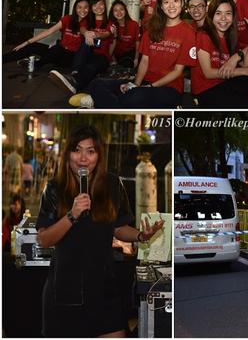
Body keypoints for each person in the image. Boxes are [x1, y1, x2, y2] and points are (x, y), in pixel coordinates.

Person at [36, 125, 164, 337]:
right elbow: (44, 240)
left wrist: (141, 236)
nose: (83, 158)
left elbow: (119, 227)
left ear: (99, 156)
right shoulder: (54, 188)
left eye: (91, 151)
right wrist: (72, 214)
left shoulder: (113, 185)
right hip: (65, 289)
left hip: (104, 287)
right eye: (77, 150)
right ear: (67, 154)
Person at [75, 0, 196, 109]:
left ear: (182, 3)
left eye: (175, 1)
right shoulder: (152, 28)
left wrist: (150, 87)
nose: (171, 6)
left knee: (133, 97)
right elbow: (144, 61)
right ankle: (109, 104)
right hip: (145, 82)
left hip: (170, 88)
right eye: (166, 2)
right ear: (161, 6)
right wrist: (135, 84)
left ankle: (102, 103)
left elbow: (178, 71)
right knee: (97, 84)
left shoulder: (188, 32)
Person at [192, 0, 248, 108]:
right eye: (218, 13)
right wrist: (244, 71)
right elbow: (208, 73)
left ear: (233, 17)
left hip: (225, 84)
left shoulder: (229, 37)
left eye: (228, 13)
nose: (223, 18)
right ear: (211, 16)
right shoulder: (204, 35)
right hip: (207, 92)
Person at [49, 0, 114, 95]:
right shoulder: (87, 21)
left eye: (101, 4)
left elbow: (107, 34)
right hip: (87, 54)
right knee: (85, 44)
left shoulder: (110, 23)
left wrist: (95, 34)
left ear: (105, 6)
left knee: (92, 65)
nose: (98, 7)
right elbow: (82, 29)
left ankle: (74, 81)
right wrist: (86, 33)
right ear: (91, 8)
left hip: (102, 57)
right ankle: (74, 75)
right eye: (95, 5)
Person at [3, 0, 90, 67]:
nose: (82, 10)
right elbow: (49, 31)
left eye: (86, 7)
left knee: (57, 48)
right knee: (34, 46)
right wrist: (26, 42)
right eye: (79, 7)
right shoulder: (68, 19)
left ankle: (36, 65)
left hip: (70, 58)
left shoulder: (89, 23)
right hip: (56, 52)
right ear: (75, 8)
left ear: (89, 9)